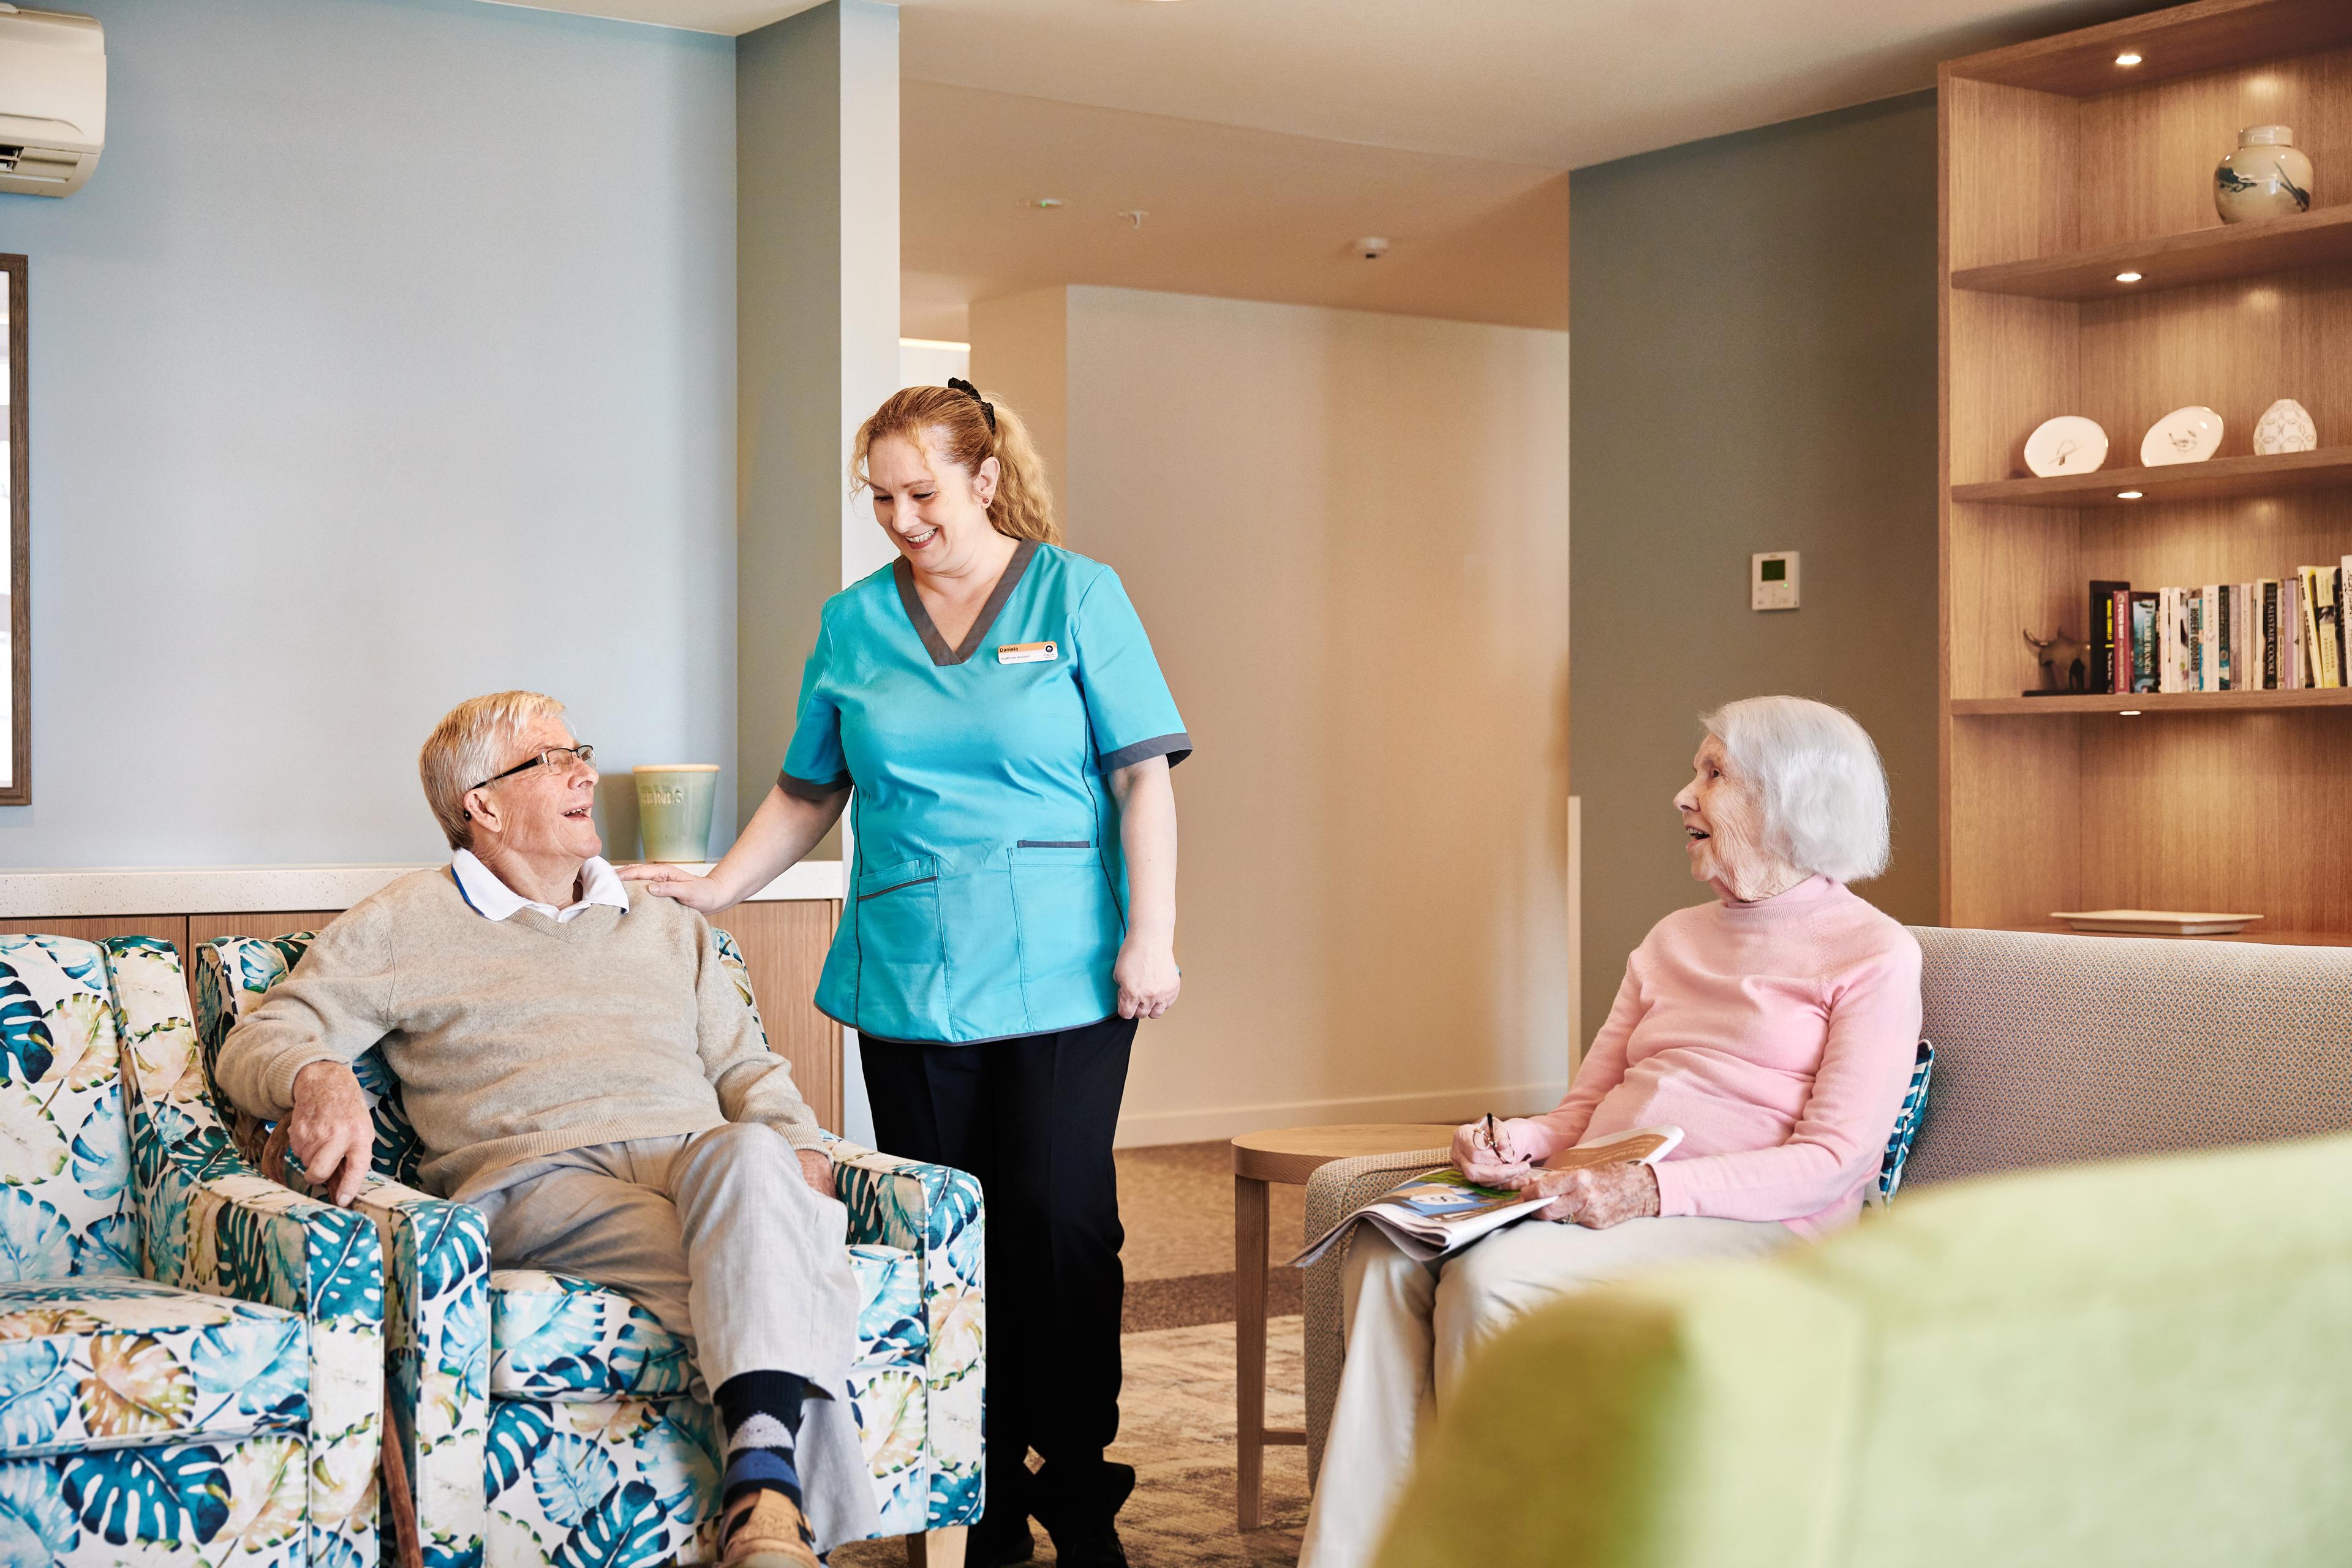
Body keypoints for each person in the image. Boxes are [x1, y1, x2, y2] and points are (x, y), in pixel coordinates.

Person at [628, 380, 1188, 1568]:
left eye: (921, 491)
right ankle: (979, 1492)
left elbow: (1143, 776)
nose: (900, 517)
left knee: (1062, 1220)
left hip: (1069, 966)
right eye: (881, 496)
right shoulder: (854, 622)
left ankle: (1078, 1482)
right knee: (951, 1236)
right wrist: (720, 883)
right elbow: (807, 788)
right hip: (911, 970)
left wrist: (1155, 932)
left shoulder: (1079, 594)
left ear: (984, 478)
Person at [214, 692, 872, 1568]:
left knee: (758, 1160)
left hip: (693, 1159)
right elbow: (259, 1038)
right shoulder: (406, 920)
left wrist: (800, 1151)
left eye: (580, 752)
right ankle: (775, 1512)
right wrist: (316, 1073)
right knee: (775, 1257)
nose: (588, 773)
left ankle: (764, 1500)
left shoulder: (668, 925)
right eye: (551, 760)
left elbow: (749, 1073)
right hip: (536, 1183)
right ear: (480, 805)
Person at [1298, 696, 1924, 1568]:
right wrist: (1518, 1142)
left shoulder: (1873, 953)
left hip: (1762, 1227)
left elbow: (1834, 1161)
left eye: (1713, 775)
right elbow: (1583, 1110)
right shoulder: (1671, 939)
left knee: (1495, 1279)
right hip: (1601, 1191)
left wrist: (1649, 1190)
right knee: (1385, 1252)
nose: (1682, 795)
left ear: (1792, 799)